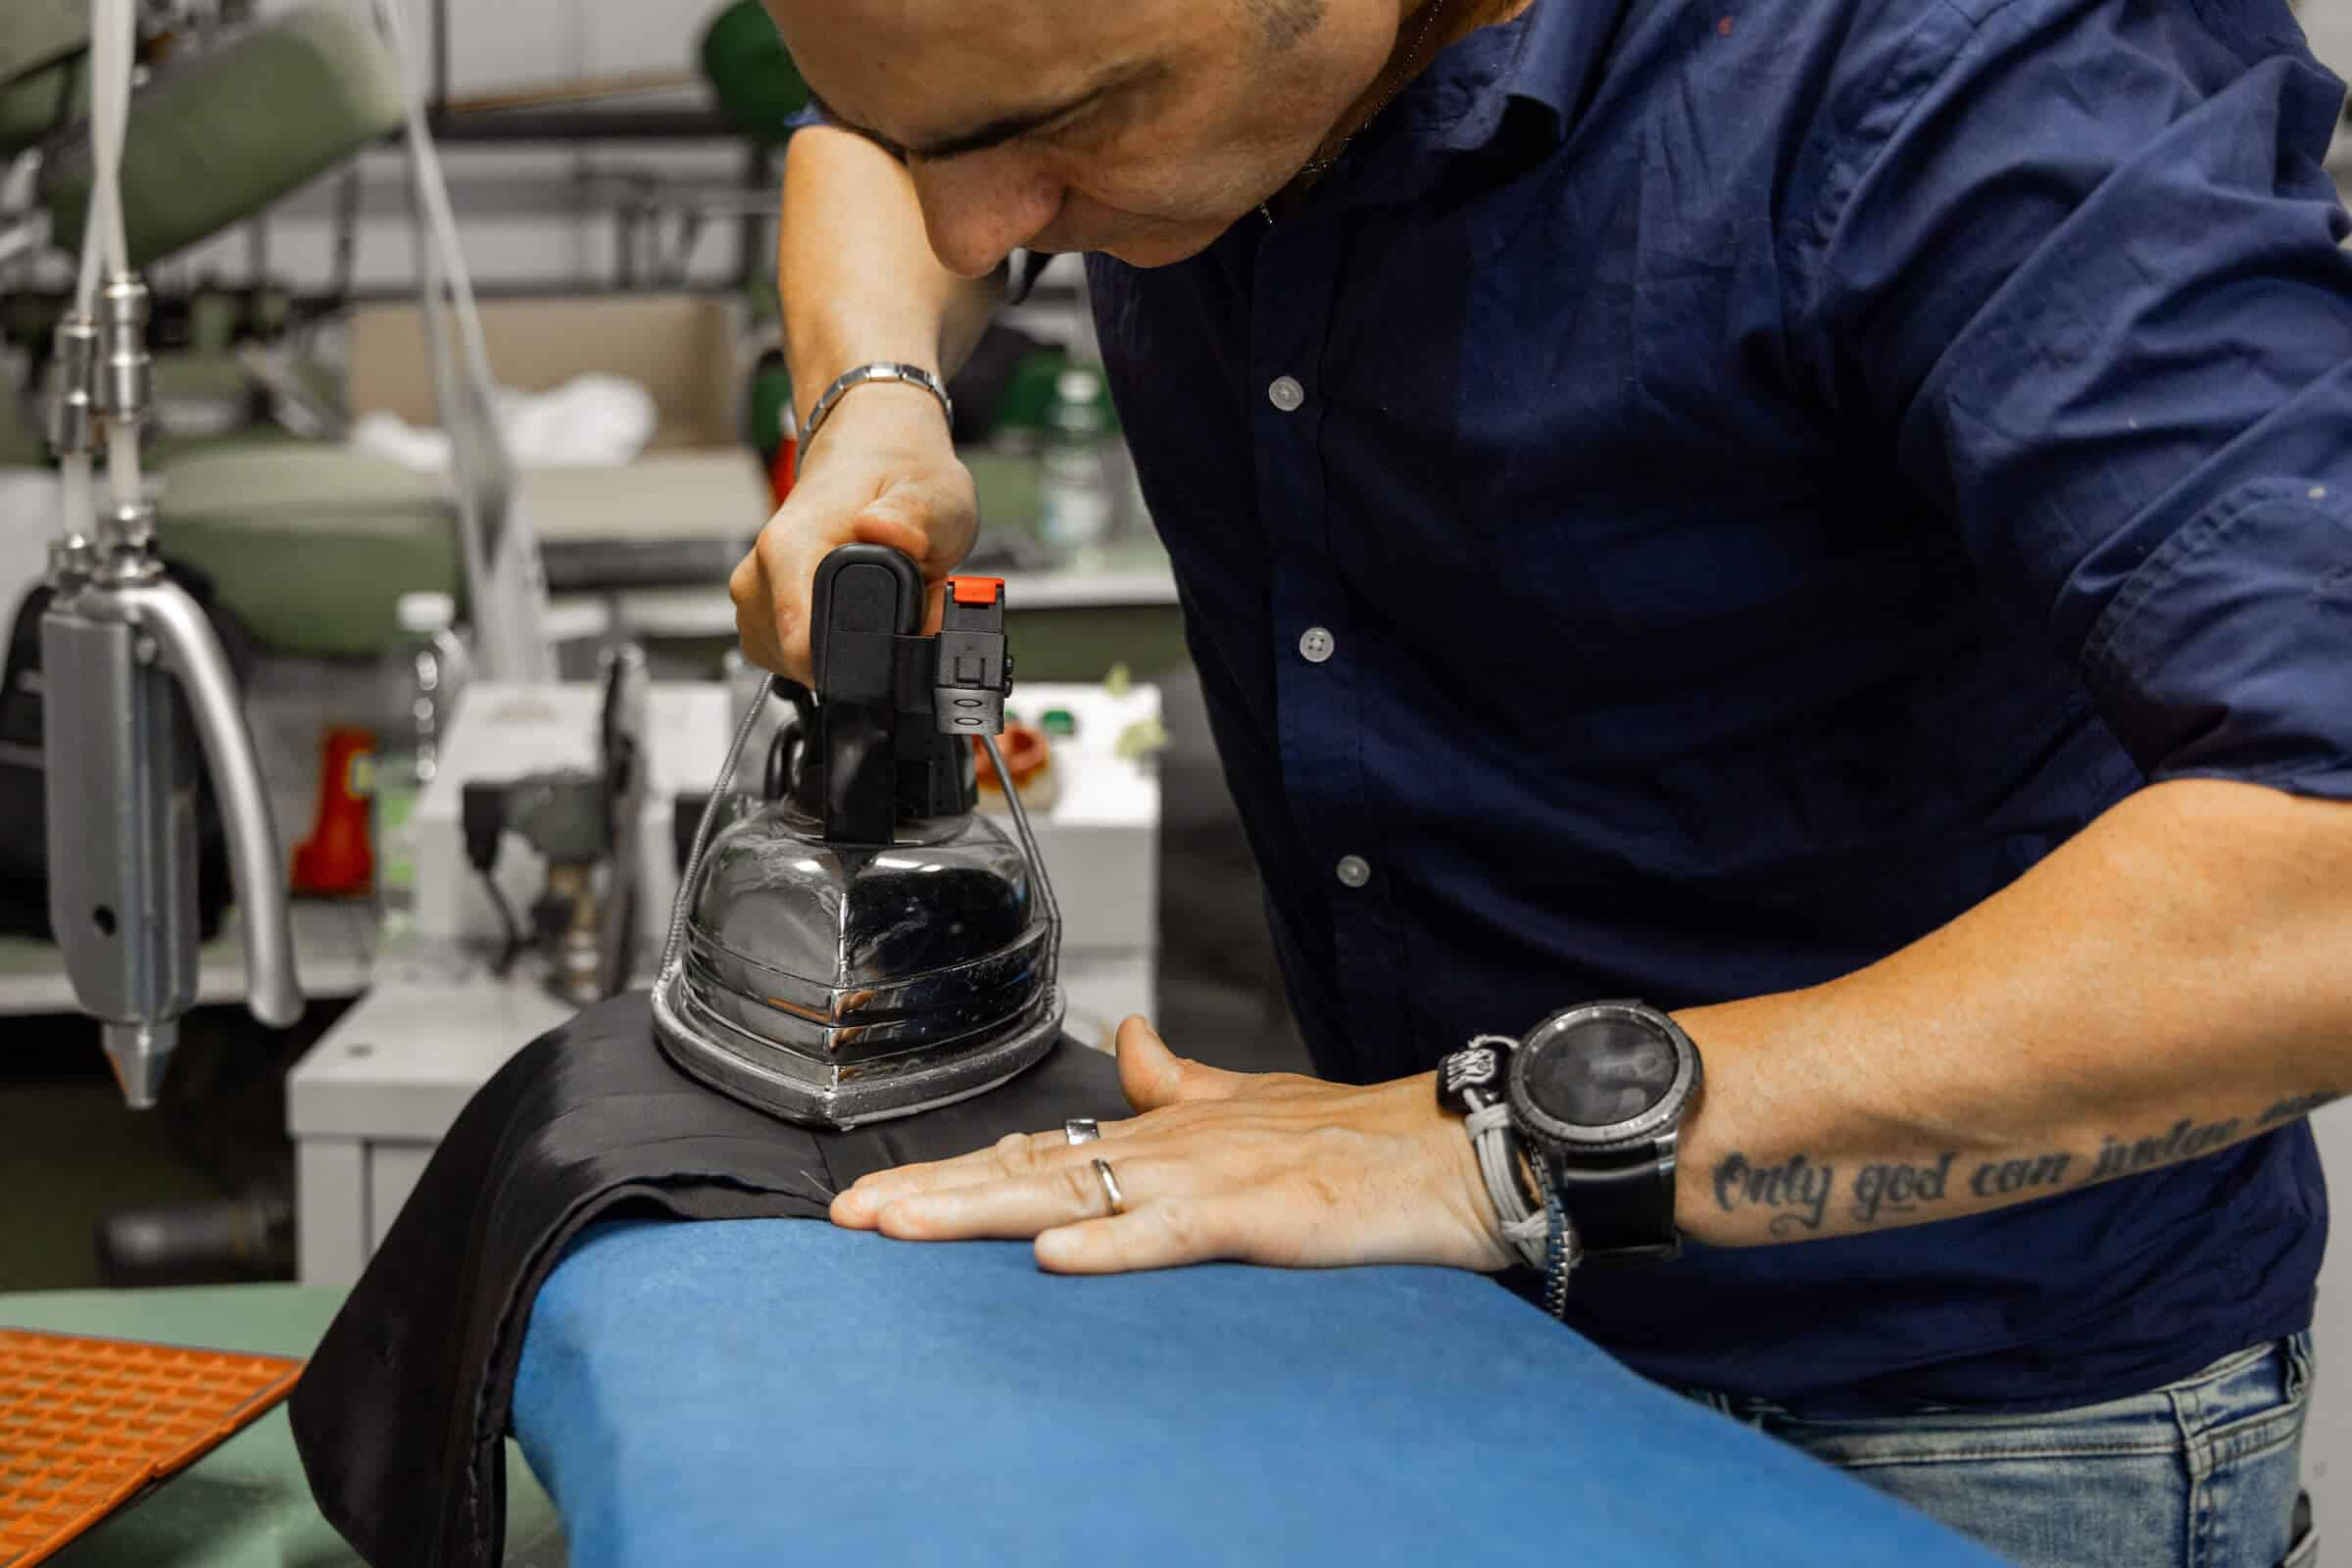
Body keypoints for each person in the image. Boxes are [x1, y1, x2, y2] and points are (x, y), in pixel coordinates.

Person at [728, 1, 2350, 1561]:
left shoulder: (1983, 71)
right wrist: (877, 403)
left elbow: (2329, 873)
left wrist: (1491, 1149)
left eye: (1069, 129)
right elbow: (875, 131)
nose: (976, 232)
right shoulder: (1071, 87)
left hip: (1940, 1405)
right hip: (1444, 1319)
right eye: (936, 139)